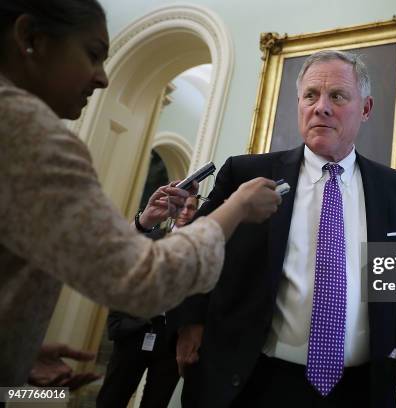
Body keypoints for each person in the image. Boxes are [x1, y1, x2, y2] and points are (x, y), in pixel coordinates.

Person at [0, 0, 281, 389]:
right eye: (93, 55)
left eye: (337, 96)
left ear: (365, 108)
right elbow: (144, 280)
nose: (102, 79)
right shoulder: (26, 132)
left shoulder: (395, 191)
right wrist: (235, 207)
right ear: (31, 38)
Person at [170, 50, 396, 408]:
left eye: (338, 96)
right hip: (256, 381)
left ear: (367, 108)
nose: (320, 107)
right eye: (311, 95)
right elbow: (199, 253)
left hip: (360, 389)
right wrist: (190, 321)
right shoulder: (244, 175)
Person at [96, 194, 203, 408]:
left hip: (171, 339)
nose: (185, 212)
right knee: (111, 398)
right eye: (181, 207)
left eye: (191, 208)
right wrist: (118, 321)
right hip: (134, 331)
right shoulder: (149, 238)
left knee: (156, 402)